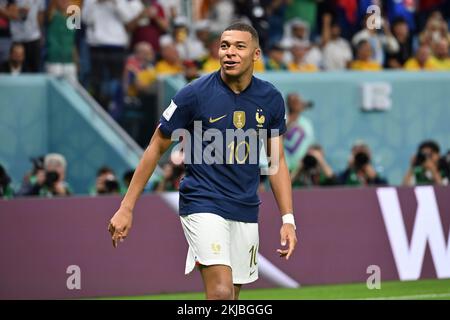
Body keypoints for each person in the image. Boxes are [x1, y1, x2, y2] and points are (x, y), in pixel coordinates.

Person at [108, 23, 297, 300]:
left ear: (256, 55)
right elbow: (154, 148)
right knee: (221, 293)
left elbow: (276, 160)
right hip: (203, 201)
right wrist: (127, 207)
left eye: (239, 47)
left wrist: (288, 219)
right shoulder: (193, 94)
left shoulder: (270, 99)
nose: (229, 53)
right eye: (224, 46)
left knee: (231, 296)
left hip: (245, 208)